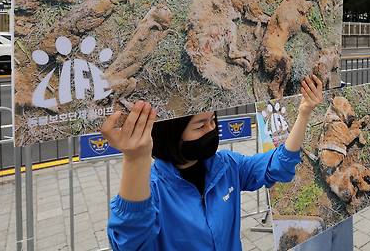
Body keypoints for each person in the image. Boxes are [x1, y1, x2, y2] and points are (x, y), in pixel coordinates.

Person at [103, 76, 324, 250]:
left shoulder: (227, 166)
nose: (211, 130)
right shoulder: (150, 191)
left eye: (213, 121)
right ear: (172, 135)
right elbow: (129, 242)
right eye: (200, 126)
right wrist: (135, 159)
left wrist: (304, 113)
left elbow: (278, 165)